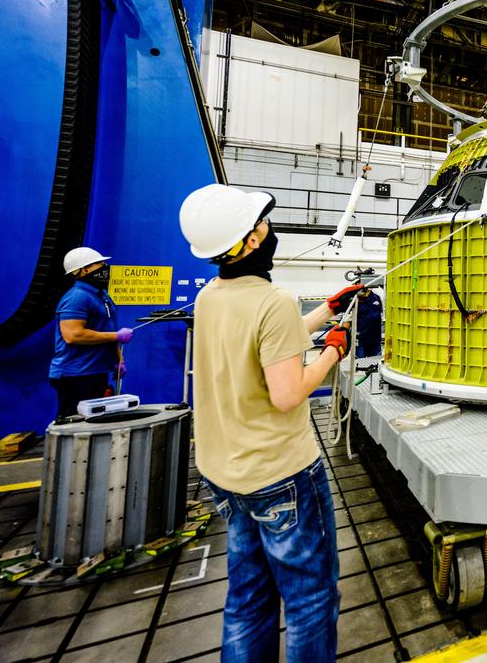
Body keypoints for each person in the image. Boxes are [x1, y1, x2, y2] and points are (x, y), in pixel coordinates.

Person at [180, 183, 361, 661]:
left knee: (247, 599)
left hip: (227, 473)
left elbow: (265, 345)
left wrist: (326, 311)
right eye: (263, 224)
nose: (269, 229)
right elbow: (287, 392)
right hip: (281, 477)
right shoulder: (274, 299)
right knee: (310, 600)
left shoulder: (210, 296)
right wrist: (332, 352)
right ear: (252, 241)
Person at [49, 247, 133, 419]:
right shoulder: (77, 297)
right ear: (84, 269)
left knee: (95, 424)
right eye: (99, 264)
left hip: (95, 372)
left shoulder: (102, 296)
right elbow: (73, 335)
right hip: (76, 375)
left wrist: (119, 359)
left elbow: (106, 328)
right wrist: (116, 336)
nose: (105, 267)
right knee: (76, 426)